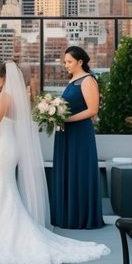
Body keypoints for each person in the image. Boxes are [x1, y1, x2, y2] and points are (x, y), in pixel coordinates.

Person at [0, 61, 109, 264]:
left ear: (1, 77)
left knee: (0, 185)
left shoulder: (4, 97)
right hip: (7, 145)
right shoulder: (16, 99)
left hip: (2, 147)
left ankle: (2, 231)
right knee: (0, 184)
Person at [51, 45, 103, 229]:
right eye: (65, 62)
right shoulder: (73, 80)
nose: (66, 65)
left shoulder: (87, 81)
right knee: (69, 170)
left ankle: (81, 217)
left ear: (80, 62)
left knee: (79, 170)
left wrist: (66, 118)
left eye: (69, 62)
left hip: (80, 133)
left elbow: (93, 110)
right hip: (67, 133)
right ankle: (68, 215)